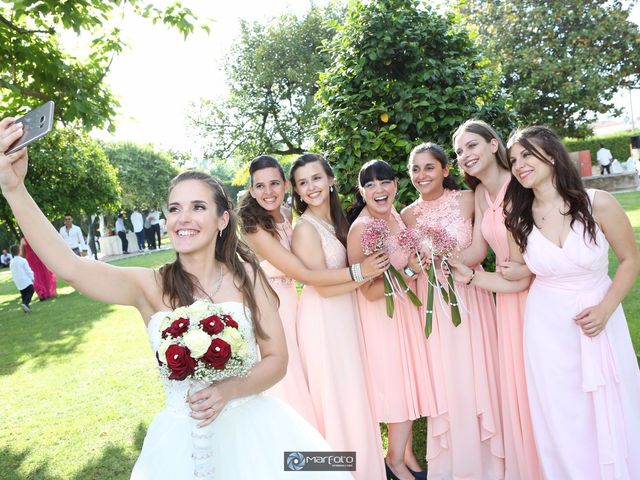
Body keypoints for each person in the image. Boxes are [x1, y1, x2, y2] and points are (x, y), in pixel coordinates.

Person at [0, 118, 352, 480]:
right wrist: (14, 189)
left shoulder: (248, 277)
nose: (183, 218)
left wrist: (231, 389)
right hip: (180, 442)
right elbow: (69, 266)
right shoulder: (150, 286)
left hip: (254, 434)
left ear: (221, 220)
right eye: (174, 208)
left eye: (198, 207)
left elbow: (277, 359)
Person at [452, 126, 640, 479]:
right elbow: (520, 279)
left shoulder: (597, 202)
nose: (520, 163)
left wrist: (605, 308)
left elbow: (631, 261)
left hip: (598, 320)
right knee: (561, 417)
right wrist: (472, 276)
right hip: (545, 331)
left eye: (528, 154)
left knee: (612, 407)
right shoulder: (518, 216)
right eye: (515, 158)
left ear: (552, 155)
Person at [237, 155, 388, 428]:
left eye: (274, 183)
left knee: (312, 387)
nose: (267, 191)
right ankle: (299, 463)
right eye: (259, 186)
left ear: (285, 186)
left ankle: (326, 458)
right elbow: (305, 275)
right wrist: (361, 272)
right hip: (271, 308)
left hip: (294, 303)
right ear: (251, 190)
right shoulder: (254, 227)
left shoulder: (285, 215)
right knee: (290, 387)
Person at [400, 143, 504, 479]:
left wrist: (450, 263)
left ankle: (491, 463)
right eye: (415, 169)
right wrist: (421, 267)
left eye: (429, 167)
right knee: (446, 378)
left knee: (479, 372)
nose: (421, 175)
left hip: (469, 296)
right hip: (432, 306)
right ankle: (456, 463)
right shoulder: (407, 215)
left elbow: (478, 247)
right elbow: (408, 266)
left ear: (446, 170)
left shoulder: (468, 199)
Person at [452, 119, 542, 480]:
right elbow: (476, 248)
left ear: (493, 145)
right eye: (459, 151)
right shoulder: (479, 195)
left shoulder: (520, 185)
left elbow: (534, 252)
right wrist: (440, 259)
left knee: (537, 384)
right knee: (516, 387)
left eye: (471, 146)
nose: (465, 155)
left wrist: (484, 274)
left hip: (533, 295)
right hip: (503, 301)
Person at [290, 153, 386, 480]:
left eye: (316, 178)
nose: (311, 187)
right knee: (334, 402)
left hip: (346, 316)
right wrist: (365, 270)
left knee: (353, 399)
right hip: (323, 321)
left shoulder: (337, 221)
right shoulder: (304, 229)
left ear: (330, 180)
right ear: (298, 192)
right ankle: (336, 473)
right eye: (303, 182)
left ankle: (364, 471)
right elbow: (321, 286)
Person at [346, 160, 431, 480]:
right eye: (370, 185)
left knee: (408, 384)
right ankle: (393, 462)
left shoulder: (395, 216)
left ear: (396, 184)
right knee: (397, 388)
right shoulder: (362, 229)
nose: (379, 190)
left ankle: (406, 453)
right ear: (362, 192)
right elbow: (367, 291)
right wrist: (411, 271)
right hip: (382, 317)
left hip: (404, 313)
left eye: (384, 182)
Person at [9, 243, 34, 313]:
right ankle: (25, 304)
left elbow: (12, 271)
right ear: (20, 251)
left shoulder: (11, 262)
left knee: (24, 294)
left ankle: (26, 308)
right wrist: (32, 277)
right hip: (25, 279)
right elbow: (28, 270)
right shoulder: (23, 260)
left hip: (18, 280)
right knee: (31, 290)